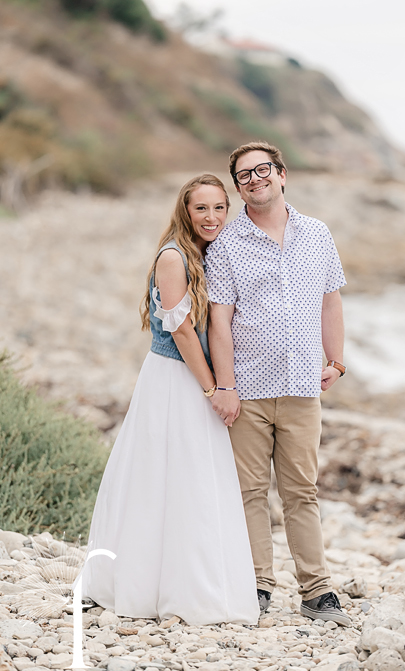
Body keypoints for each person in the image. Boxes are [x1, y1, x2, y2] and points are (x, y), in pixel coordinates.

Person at [80, 174, 259, 625]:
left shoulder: (205, 253)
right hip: (175, 380)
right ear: (185, 211)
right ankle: (158, 586)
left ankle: (195, 580)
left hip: (193, 377)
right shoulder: (173, 257)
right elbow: (181, 331)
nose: (212, 217)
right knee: (168, 476)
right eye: (202, 209)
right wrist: (214, 389)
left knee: (194, 479)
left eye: (220, 207)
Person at [206, 141, 350, 625]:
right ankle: (257, 585)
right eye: (243, 175)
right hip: (247, 390)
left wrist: (338, 360)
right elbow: (219, 323)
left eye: (262, 170)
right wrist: (225, 386)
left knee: (301, 492)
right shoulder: (226, 245)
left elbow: (331, 301)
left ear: (282, 174)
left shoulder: (318, 233)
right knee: (249, 492)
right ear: (238, 186)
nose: (254, 179)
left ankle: (316, 590)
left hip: (304, 387)